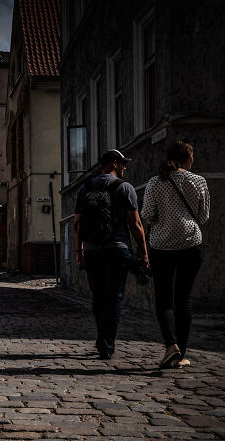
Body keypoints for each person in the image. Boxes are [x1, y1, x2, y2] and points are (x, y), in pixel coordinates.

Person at [73, 149, 149, 360]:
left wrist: (78, 251)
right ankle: (106, 343)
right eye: (123, 163)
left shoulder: (85, 188)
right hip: (118, 249)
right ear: (114, 164)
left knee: (98, 297)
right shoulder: (125, 188)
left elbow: (77, 224)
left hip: (92, 251)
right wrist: (144, 253)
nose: (125, 167)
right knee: (114, 297)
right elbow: (135, 224)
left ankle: (102, 338)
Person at [141, 140, 210, 369]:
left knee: (163, 299)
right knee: (184, 299)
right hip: (191, 244)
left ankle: (171, 346)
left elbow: (148, 215)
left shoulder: (155, 182)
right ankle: (182, 356)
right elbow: (203, 217)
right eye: (192, 156)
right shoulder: (199, 181)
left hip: (162, 246)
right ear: (186, 158)